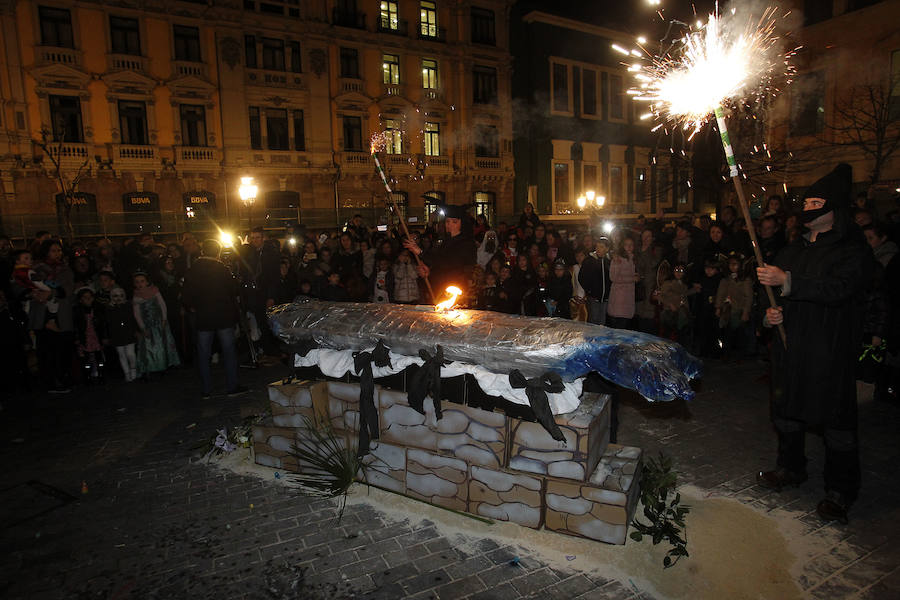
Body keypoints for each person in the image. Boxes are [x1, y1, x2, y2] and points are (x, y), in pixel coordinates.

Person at [756, 163, 874, 524]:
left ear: (834, 210)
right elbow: (771, 295)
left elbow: (839, 289)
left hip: (828, 348)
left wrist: (788, 281)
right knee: (787, 412)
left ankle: (840, 490)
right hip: (791, 347)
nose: (808, 208)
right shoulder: (793, 250)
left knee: (836, 422)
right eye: (806, 202)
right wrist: (771, 314)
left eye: (816, 202)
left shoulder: (852, 251)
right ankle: (791, 468)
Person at [182, 239, 245, 399]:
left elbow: (186, 294)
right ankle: (232, 386)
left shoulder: (193, 269)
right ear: (217, 252)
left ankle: (206, 389)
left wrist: (192, 307)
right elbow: (233, 290)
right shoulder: (222, 269)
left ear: (203, 251)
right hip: (223, 315)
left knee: (204, 353)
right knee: (229, 351)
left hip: (203, 316)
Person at [404, 204, 476, 302]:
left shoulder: (467, 243)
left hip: (458, 292)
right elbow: (440, 266)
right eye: (447, 221)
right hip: (441, 291)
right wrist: (429, 272)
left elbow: (448, 263)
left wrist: (420, 252)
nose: (449, 225)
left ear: (462, 224)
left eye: (454, 222)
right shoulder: (446, 241)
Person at [132, 271, 180, 378]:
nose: (140, 284)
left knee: (162, 344)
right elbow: (137, 314)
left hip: (159, 322)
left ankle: (164, 365)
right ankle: (150, 366)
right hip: (147, 325)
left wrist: (164, 319)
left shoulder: (154, 290)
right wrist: (143, 328)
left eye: (142, 281)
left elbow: (162, 304)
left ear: (147, 282)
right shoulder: (136, 296)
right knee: (149, 346)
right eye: (137, 282)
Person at [106, 287, 138, 382]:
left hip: (128, 333)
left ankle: (133, 370)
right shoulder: (109, 308)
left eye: (121, 295)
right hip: (116, 334)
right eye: (115, 296)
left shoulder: (128, 305)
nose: (118, 298)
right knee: (122, 355)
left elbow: (133, 319)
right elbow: (108, 322)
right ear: (111, 297)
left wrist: (136, 330)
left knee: (130, 354)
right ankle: (127, 373)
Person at [607, 236, 639, 329]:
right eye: (626, 245)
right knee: (618, 329)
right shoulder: (618, 259)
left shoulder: (633, 259)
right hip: (619, 300)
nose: (629, 247)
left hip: (628, 300)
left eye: (631, 245)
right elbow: (613, 277)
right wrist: (632, 278)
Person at [578, 237, 612, 325]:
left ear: (607, 249)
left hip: (605, 298)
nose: (598, 249)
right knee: (593, 321)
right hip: (593, 297)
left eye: (601, 247)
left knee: (602, 322)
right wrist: (589, 290)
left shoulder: (609, 262)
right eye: (597, 246)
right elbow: (581, 277)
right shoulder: (589, 261)